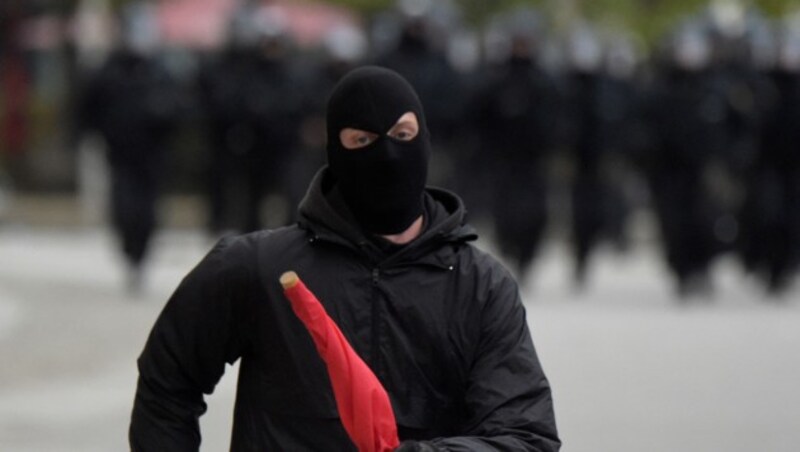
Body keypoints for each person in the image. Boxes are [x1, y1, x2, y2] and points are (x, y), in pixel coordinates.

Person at [129, 66, 560, 451]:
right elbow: (167, 381)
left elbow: (525, 436)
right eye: (363, 141)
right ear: (336, 152)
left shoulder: (478, 286)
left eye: (402, 135)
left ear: (424, 141)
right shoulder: (260, 267)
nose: (387, 154)